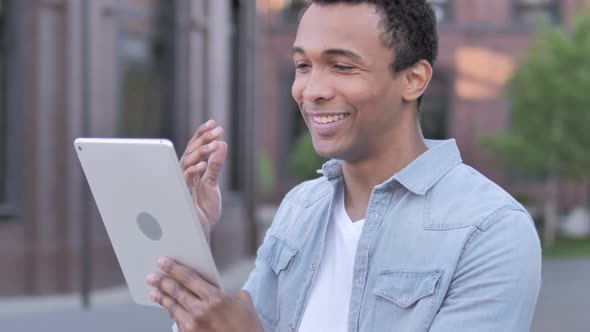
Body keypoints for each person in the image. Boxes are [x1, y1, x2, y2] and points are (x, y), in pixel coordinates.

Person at [146, 1, 542, 331]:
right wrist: (189, 245)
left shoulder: (491, 230)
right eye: (303, 66)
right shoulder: (300, 206)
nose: (312, 91)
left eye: (343, 66)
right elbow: (240, 321)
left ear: (414, 79)